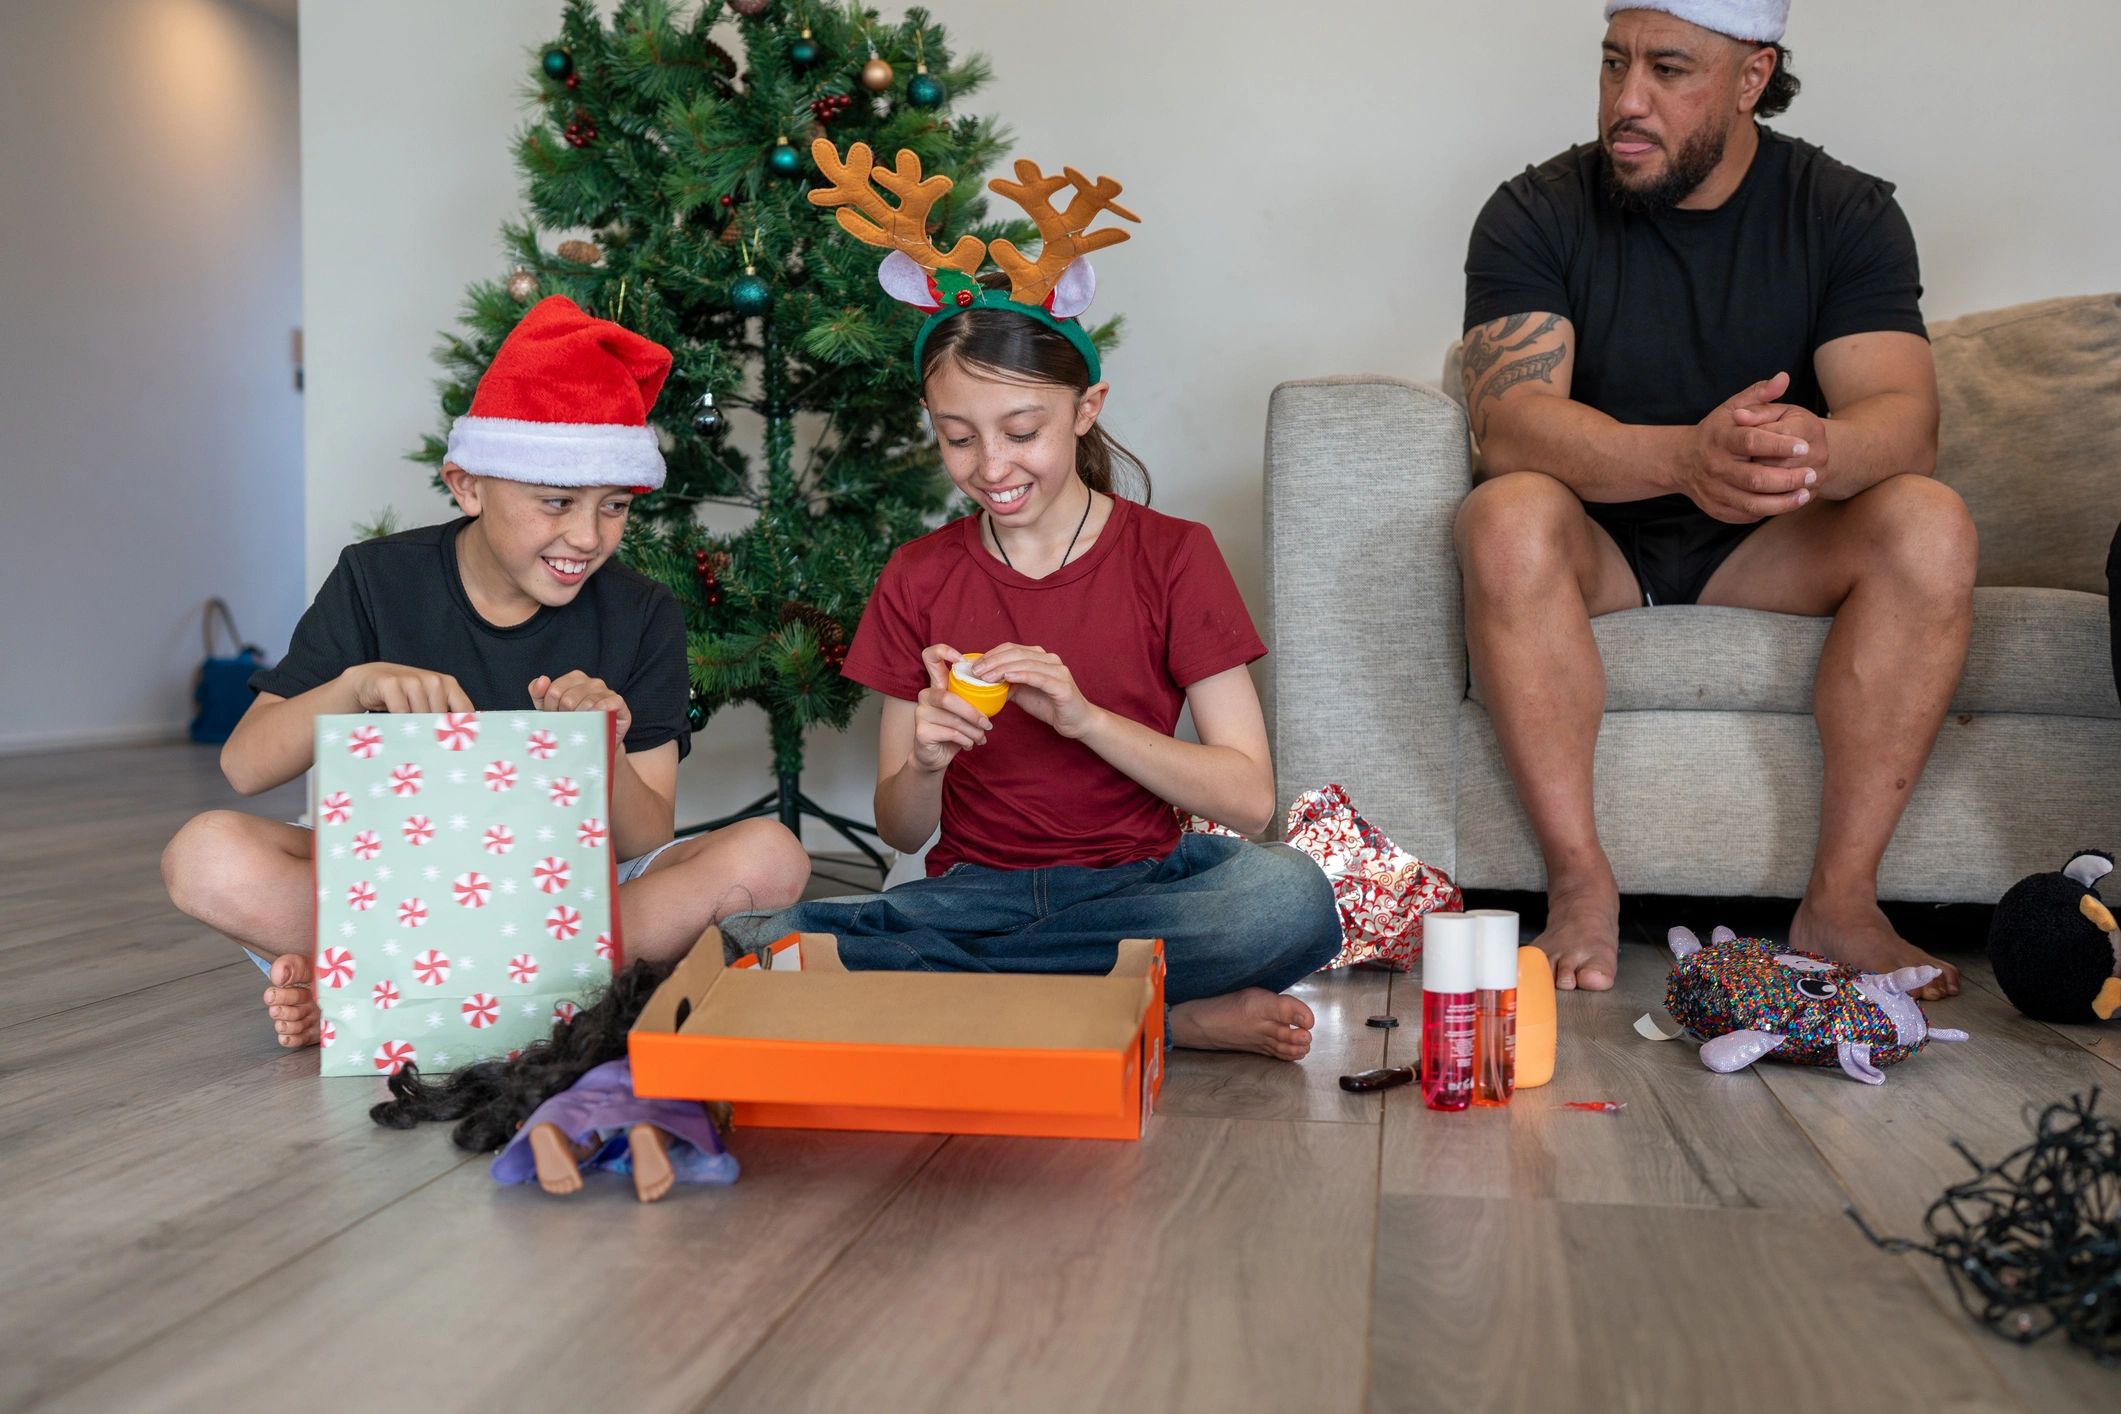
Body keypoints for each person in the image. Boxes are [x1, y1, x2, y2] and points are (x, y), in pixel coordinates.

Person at [716, 141, 1342, 1061]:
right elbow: (902, 828)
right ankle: (1153, 1018)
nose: (991, 468)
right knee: (752, 943)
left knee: (1289, 899)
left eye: (1021, 431)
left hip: (1140, 888)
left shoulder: (1174, 554)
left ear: (1086, 408)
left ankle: (999, 1006)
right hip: (974, 894)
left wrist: (1084, 718)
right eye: (957, 438)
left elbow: (1249, 800)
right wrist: (924, 757)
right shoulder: (920, 574)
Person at [1454, 1, 1976, 995]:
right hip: (1596, 547)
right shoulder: (1534, 209)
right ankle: (1580, 888)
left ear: (1751, 77)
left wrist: (1826, 444)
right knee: (1505, 512)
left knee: (1928, 520)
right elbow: (1510, 424)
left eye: (1669, 69)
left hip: (1770, 547)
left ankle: (1842, 903)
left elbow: (1907, 421)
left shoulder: (1845, 211)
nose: (1628, 102)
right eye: (1614, 65)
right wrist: (1684, 458)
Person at [161, 297, 810, 1048]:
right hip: (399, 889)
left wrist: (599, 746)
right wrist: (354, 686)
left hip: (571, 890)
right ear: (467, 486)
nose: (586, 536)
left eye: (615, 507)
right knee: (204, 854)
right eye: (557, 502)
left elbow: (643, 837)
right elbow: (243, 767)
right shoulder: (377, 579)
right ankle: (532, 995)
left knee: (770, 856)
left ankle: (386, 988)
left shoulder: (642, 613)